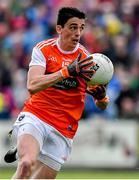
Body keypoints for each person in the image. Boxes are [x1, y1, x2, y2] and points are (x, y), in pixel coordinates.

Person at [4, 7, 109, 179]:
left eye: (81, 28)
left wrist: (101, 97)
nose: (78, 33)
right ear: (59, 28)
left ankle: (23, 148)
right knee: (25, 165)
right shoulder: (43, 49)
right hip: (37, 115)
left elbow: (103, 105)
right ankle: (26, 148)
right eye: (73, 27)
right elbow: (32, 85)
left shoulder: (87, 60)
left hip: (63, 127)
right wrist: (66, 72)